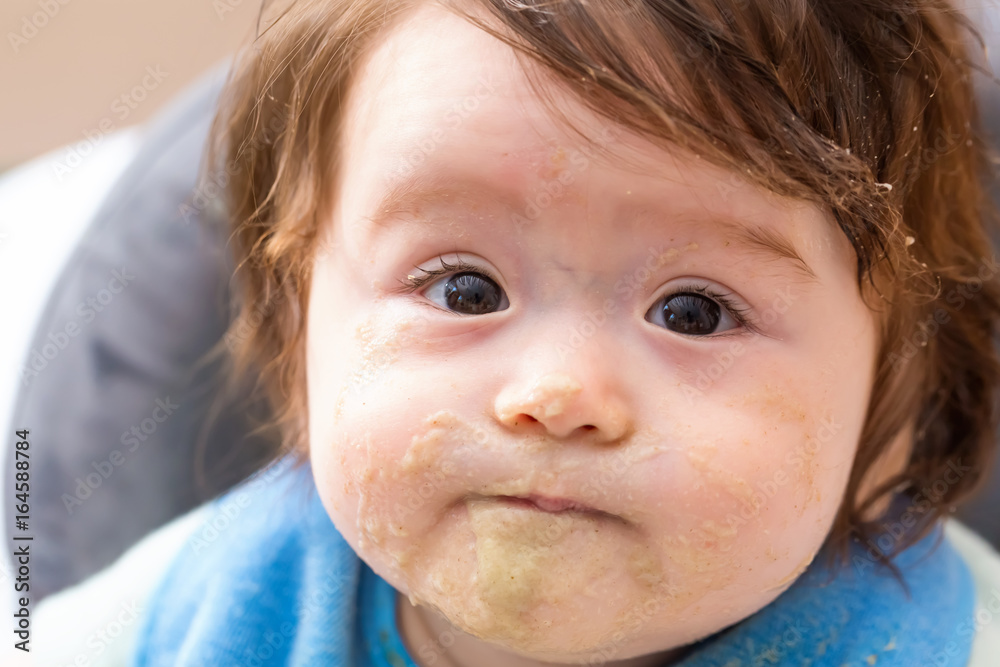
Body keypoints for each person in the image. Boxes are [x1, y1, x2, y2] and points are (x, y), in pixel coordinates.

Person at [129, 0, 1000, 665]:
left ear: (903, 407)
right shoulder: (207, 601)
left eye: (693, 312)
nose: (555, 394)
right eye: (465, 290)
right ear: (297, 332)